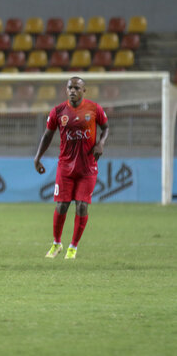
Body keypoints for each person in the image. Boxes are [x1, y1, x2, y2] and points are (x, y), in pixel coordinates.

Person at [34, 76, 109, 260]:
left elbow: (106, 127)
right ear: (66, 90)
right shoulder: (58, 111)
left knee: (82, 206)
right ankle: (56, 243)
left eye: (77, 87)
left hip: (87, 167)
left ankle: (73, 247)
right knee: (62, 205)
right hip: (65, 167)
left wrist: (101, 143)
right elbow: (47, 136)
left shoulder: (94, 108)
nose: (73, 90)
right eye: (70, 87)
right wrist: (37, 157)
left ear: (84, 91)